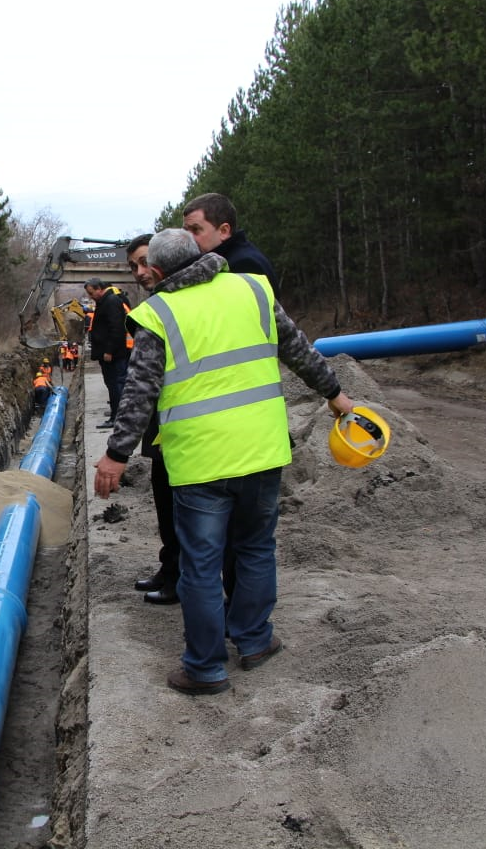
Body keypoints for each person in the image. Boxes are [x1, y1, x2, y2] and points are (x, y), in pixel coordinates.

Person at [93, 229, 354, 696]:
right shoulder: (253, 289)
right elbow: (298, 350)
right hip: (261, 451)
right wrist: (335, 395)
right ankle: (254, 641)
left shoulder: (158, 313)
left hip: (200, 462)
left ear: (155, 271)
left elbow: (139, 394)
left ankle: (206, 668)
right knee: (254, 550)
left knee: (200, 565)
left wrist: (116, 456)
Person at [182, 192, 279, 604]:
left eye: (196, 230)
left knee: (230, 551)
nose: (191, 240)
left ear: (224, 230)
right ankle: (250, 634)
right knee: (248, 547)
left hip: (233, 438)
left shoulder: (246, 270)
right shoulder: (222, 269)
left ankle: (228, 636)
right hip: (250, 435)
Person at [123, 232, 180, 605]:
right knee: (166, 508)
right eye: (133, 267)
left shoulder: (166, 310)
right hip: (165, 428)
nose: (140, 273)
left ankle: (179, 580)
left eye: (145, 262)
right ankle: (170, 569)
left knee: (183, 515)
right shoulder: (153, 306)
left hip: (183, 430)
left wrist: (116, 452)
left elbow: (140, 386)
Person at [181, 192, 280, 293]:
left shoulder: (244, 265)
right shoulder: (230, 258)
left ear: (224, 231)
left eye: (195, 230)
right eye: (185, 231)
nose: (188, 237)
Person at [84, 277, 130, 429]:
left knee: (116, 384)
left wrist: (109, 350)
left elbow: (116, 328)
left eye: (91, 293)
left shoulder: (110, 302)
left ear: (99, 289)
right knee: (113, 385)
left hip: (114, 354)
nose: (90, 297)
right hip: (110, 353)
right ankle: (116, 414)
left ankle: (118, 417)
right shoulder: (105, 301)